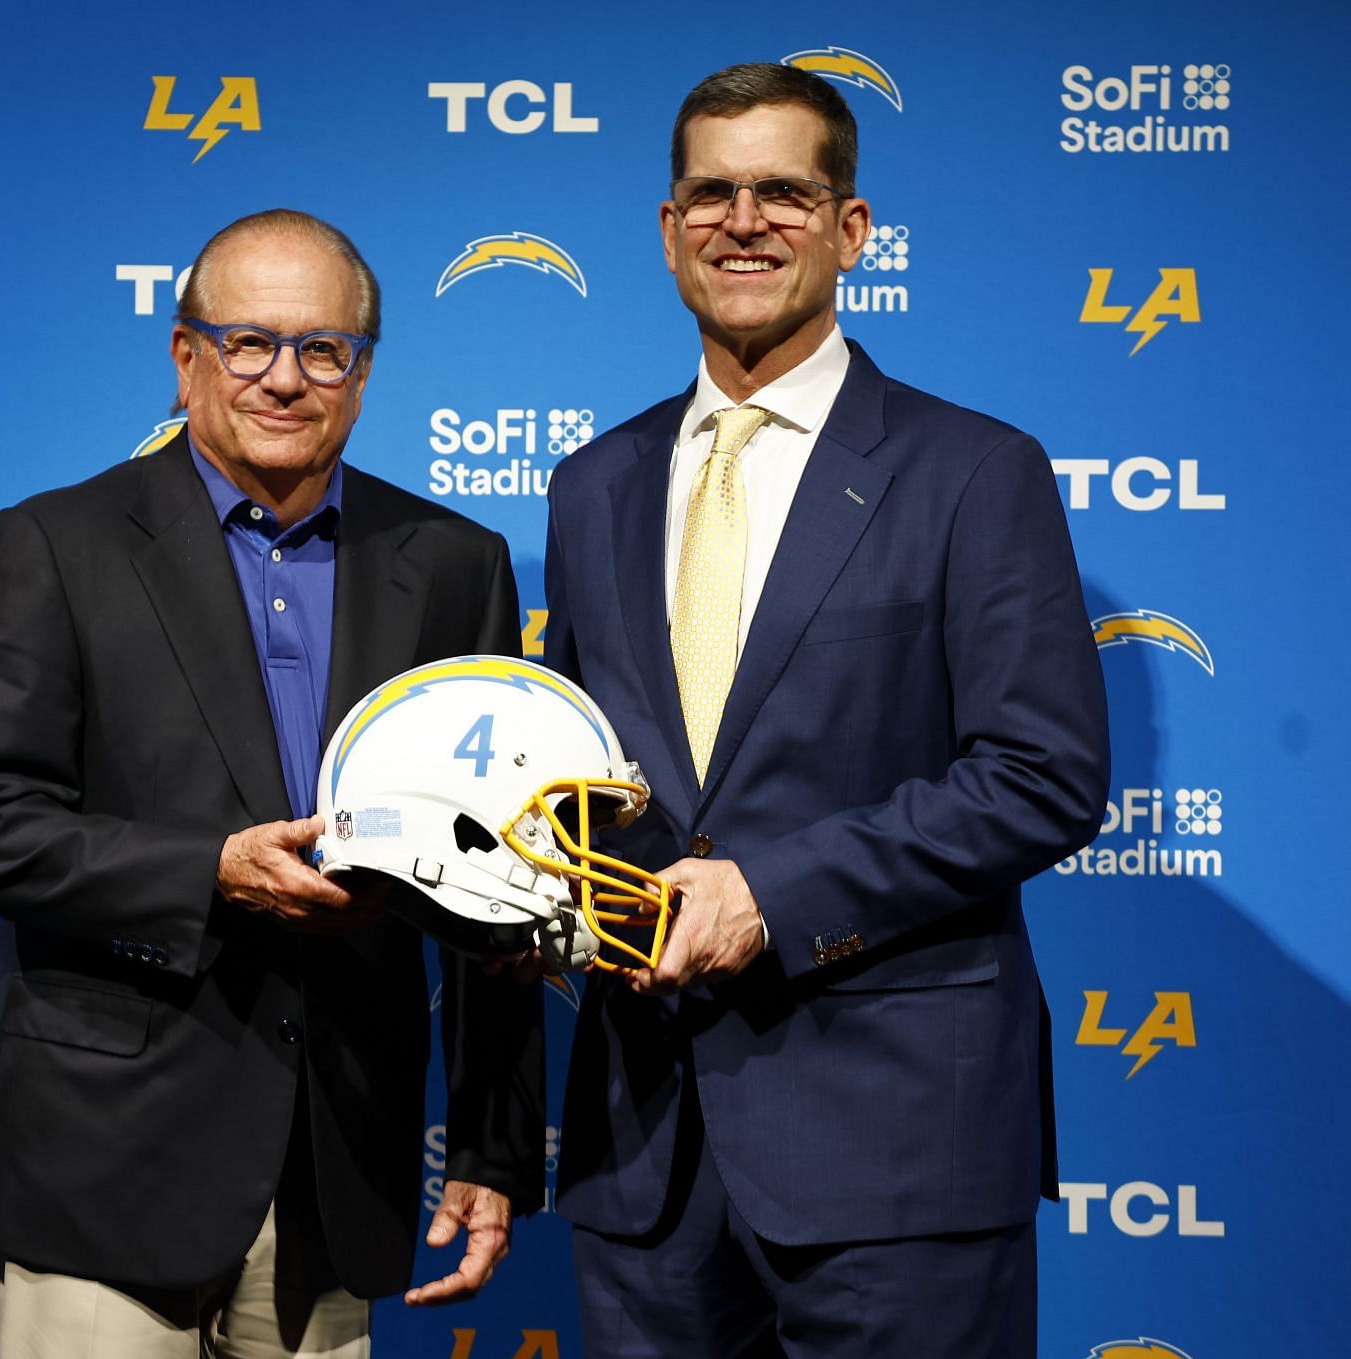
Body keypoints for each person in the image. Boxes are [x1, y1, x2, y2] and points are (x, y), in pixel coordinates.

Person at [541, 64, 1110, 1357]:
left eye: (783, 193)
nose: (744, 221)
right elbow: (588, 781)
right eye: (711, 194)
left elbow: (1043, 770)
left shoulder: (973, 468)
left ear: (852, 229)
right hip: (644, 1156)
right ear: (669, 227)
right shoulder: (594, 484)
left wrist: (772, 892)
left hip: (897, 1153)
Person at [0, 209, 543, 1359]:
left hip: (337, 1164)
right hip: (99, 1164)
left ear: (363, 371)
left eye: (322, 349)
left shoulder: (457, 566)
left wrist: (494, 1143)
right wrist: (208, 874)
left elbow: (497, 879)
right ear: (185, 355)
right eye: (248, 342)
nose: (284, 378)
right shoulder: (59, 544)